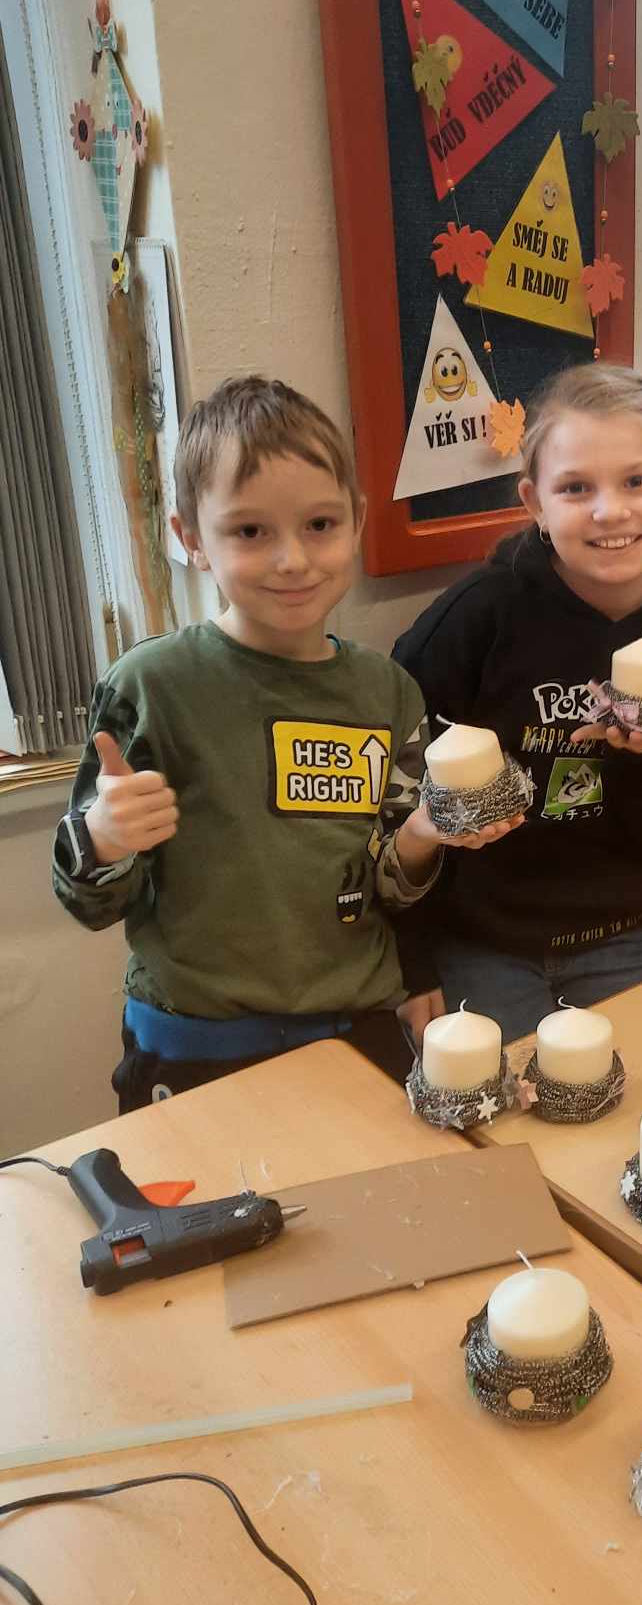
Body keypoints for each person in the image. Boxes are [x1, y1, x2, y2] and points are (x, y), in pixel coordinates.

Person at [52, 375, 483, 1112]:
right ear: (191, 538)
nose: (292, 559)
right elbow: (89, 902)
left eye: (320, 524)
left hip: (358, 1032)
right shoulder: (151, 686)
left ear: (357, 520)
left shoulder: (388, 692)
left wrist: (420, 836)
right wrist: (102, 838)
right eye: (251, 531)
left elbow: (391, 886)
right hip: (193, 1045)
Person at [393, 364, 642, 1039]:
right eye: (576, 487)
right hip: (481, 947)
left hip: (626, 937)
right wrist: (409, 963)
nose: (609, 511)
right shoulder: (476, 620)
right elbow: (394, 803)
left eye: (636, 481)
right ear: (535, 501)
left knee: (628, 1093)